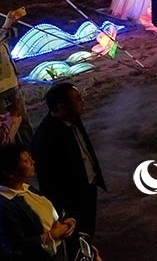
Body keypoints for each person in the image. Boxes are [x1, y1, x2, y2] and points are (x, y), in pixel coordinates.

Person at [30, 83, 104, 260]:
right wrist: (61, 208)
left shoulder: (73, 119)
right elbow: (48, 179)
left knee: (87, 229)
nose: (82, 101)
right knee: (75, 235)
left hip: (88, 186)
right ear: (61, 106)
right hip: (71, 198)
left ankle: (87, 252)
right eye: (77, 99)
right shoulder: (46, 138)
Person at [0, 143, 83, 261]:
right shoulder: (5, 204)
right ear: (10, 173)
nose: (32, 162)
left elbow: (47, 214)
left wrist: (67, 222)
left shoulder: (26, 188)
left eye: (30, 158)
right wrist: (50, 236)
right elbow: (14, 245)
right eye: (26, 161)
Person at [0, 8, 33, 146]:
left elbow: (8, 36)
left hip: (11, 83)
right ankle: (12, 154)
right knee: (6, 127)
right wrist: (7, 23)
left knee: (22, 121)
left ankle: (30, 151)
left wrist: (12, 24)